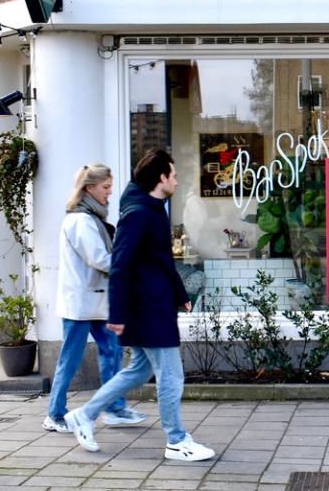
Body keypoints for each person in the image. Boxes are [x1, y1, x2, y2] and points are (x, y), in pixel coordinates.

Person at [65, 150, 215, 462]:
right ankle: (177, 441)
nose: (176, 179)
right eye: (172, 174)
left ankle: (84, 414)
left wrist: (180, 293)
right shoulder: (139, 214)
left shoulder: (153, 208)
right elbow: (120, 265)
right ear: (161, 178)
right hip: (146, 309)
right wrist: (118, 314)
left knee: (138, 370)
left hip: (154, 304)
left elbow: (160, 260)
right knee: (171, 375)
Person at [43, 164, 147, 433]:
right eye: (105, 187)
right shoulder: (81, 221)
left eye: (110, 187)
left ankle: (114, 409)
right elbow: (99, 259)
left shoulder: (91, 218)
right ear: (89, 188)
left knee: (111, 353)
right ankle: (55, 414)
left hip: (96, 301)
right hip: (81, 304)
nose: (109, 193)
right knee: (71, 358)